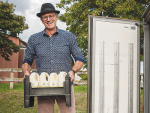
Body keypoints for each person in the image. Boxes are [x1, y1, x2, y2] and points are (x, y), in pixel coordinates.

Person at [22, 3, 84, 113]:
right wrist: (26, 72)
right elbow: (27, 60)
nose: (49, 19)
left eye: (51, 16)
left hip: (65, 85)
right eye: (45, 17)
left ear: (56, 17)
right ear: (41, 20)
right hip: (42, 86)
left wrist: (73, 71)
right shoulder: (34, 39)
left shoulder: (68, 37)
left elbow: (79, 58)